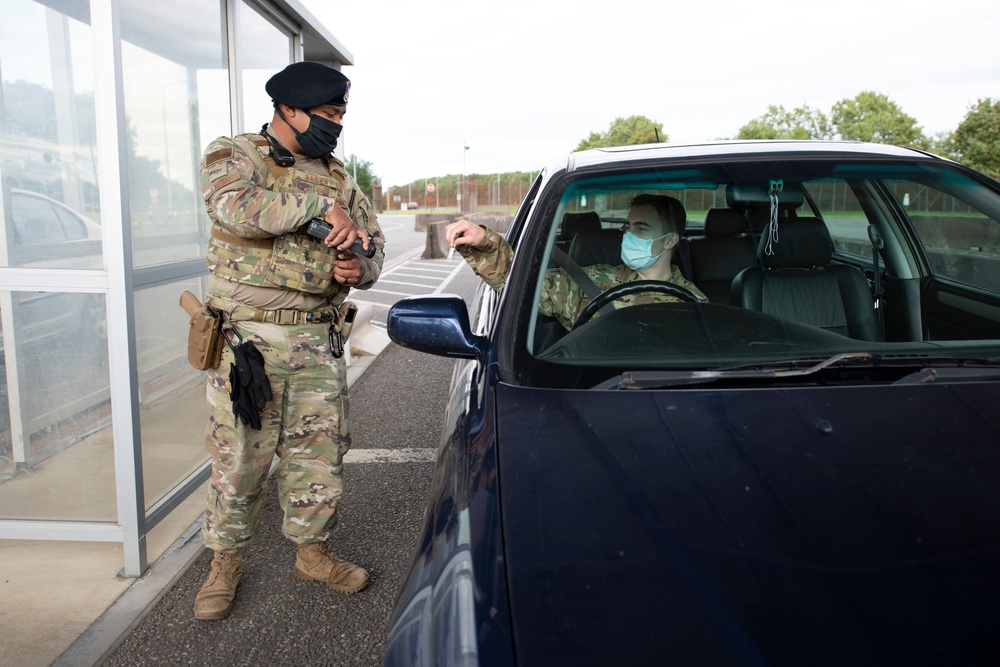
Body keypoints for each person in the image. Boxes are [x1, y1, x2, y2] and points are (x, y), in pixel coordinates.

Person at [193, 61, 384, 621]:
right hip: (249, 345)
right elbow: (237, 209)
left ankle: (314, 554)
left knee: (318, 457)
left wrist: (358, 267)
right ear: (289, 110)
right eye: (328, 114)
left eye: (340, 115)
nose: (335, 126)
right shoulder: (235, 156)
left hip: (317, 344)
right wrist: (317, 209)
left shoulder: (341, 177)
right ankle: (224, 564)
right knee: (239, 461)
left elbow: (369, 244)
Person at [446, 194, 707, 330]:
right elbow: (518, 282)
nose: (628, 236)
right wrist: (484, 240)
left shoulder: (695, 303)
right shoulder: (589, 281)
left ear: (670, 241)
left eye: (641, 229)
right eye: (627, 227)